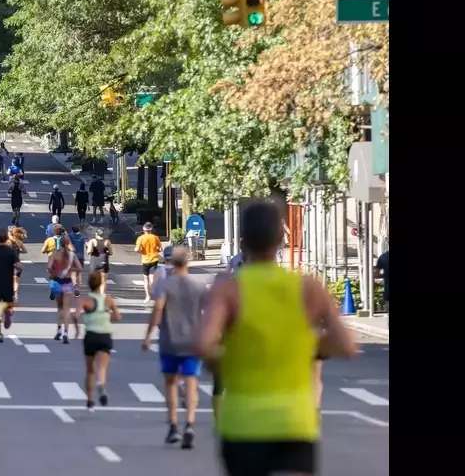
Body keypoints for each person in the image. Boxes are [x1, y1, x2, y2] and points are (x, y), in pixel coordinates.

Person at [196, 201, 359, 476]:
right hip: (294, 421)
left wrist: (219, 362)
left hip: (243, 423)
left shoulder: (229, 290)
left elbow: (203, 344)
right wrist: (305, 345)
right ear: (281, 240)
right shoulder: (308, 288)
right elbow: (346, 345)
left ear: (244, 242)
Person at [142, 246, 207, 447]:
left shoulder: (165, 285)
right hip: (193, 342)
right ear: (187, 262)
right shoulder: (199, 286)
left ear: (171, 262)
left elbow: (158, 310)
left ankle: (173, 426)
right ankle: (189, 423)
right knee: (191, 381)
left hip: (170, 341)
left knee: (170, 383)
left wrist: (148, 336)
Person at [72, 268, 122, 411]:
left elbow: (75, 316)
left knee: (90, 370)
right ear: (101, 283)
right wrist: (108, 318)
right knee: (103, 366)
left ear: (89, 284)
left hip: (91, 335)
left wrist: (76, 330)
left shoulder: (85, 301)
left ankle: (89, 399)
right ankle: (102, 384)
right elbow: (118, 317)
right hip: (105, 335)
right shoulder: (108, 300)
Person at [48, 238, 83, 343]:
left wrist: (55, 272)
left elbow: (49, 267)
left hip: (57, 282)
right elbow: (80, 268)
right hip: (68, 283)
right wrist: (72, 269)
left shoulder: (54, 254)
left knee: (59, 308)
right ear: (68, 244)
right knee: (67, 309)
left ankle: (59, 329)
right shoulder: (72, 255)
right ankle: (66, 333)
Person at [135, 222, 163, 302]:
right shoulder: (155, 238)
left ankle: (147, 296)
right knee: (152, 279)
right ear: (151, 230)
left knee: (145, 278)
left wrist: (140, 250)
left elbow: (136, 249)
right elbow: (160, 249)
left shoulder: (141, 238)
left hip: (145, 260)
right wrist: (156, 249)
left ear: (144, 229)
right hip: (154, 259)